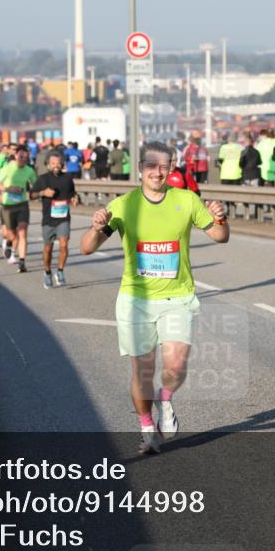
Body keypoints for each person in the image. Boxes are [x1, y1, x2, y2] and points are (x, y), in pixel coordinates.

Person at [79, 141, 230, 455]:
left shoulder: (187, 200)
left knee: (174, 367)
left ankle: (165, 400)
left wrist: (221, 218)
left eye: (164, 165)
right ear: (140, 168)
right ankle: (147, 426)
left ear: (172, 167)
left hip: (177, 297)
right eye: (151, 165)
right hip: (135, 300)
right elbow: (87, 248)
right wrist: (95, 228)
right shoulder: (122, 206)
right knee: (142, 371)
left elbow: (219, 236)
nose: (158, 172)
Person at [30, 152, 77, 288]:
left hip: (64, 218)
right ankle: (47, 272)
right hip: (48, 219)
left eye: (58, 163)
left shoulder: (68, 178)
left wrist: (74, 198)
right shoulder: (43, 179)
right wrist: (43, 193)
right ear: (48, 165)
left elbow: (73, 193)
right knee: (48, 248)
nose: (56, 166)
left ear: (62, 164)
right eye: (53, 163)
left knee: (63, 246)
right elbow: (31, 195)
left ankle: (60, 272)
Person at [0, 145, 37, 272]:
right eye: (21, 156)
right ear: (16, 155)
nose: (23, 159)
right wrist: (8, 189)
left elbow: (36, 184)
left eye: (26, 157)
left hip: (22, 204)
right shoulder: (7, 168)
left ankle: (22, 262)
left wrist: (36, 191)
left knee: (22, 232)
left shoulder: (29, 170)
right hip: (8, 205)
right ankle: (9, 243)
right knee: (11, 234)